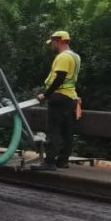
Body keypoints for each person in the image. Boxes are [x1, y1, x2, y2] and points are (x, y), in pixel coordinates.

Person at [31, 30, 81, 171]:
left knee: (54, 130)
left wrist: (45, 95)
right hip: (70, 97)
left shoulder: (63, 57)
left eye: (52, 43)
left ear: (57, 41)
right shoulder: (75, 56)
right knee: (67, 130)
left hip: (59, 97)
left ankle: (49, 162)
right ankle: (63, 161)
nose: (51, 46)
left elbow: (59, 78)